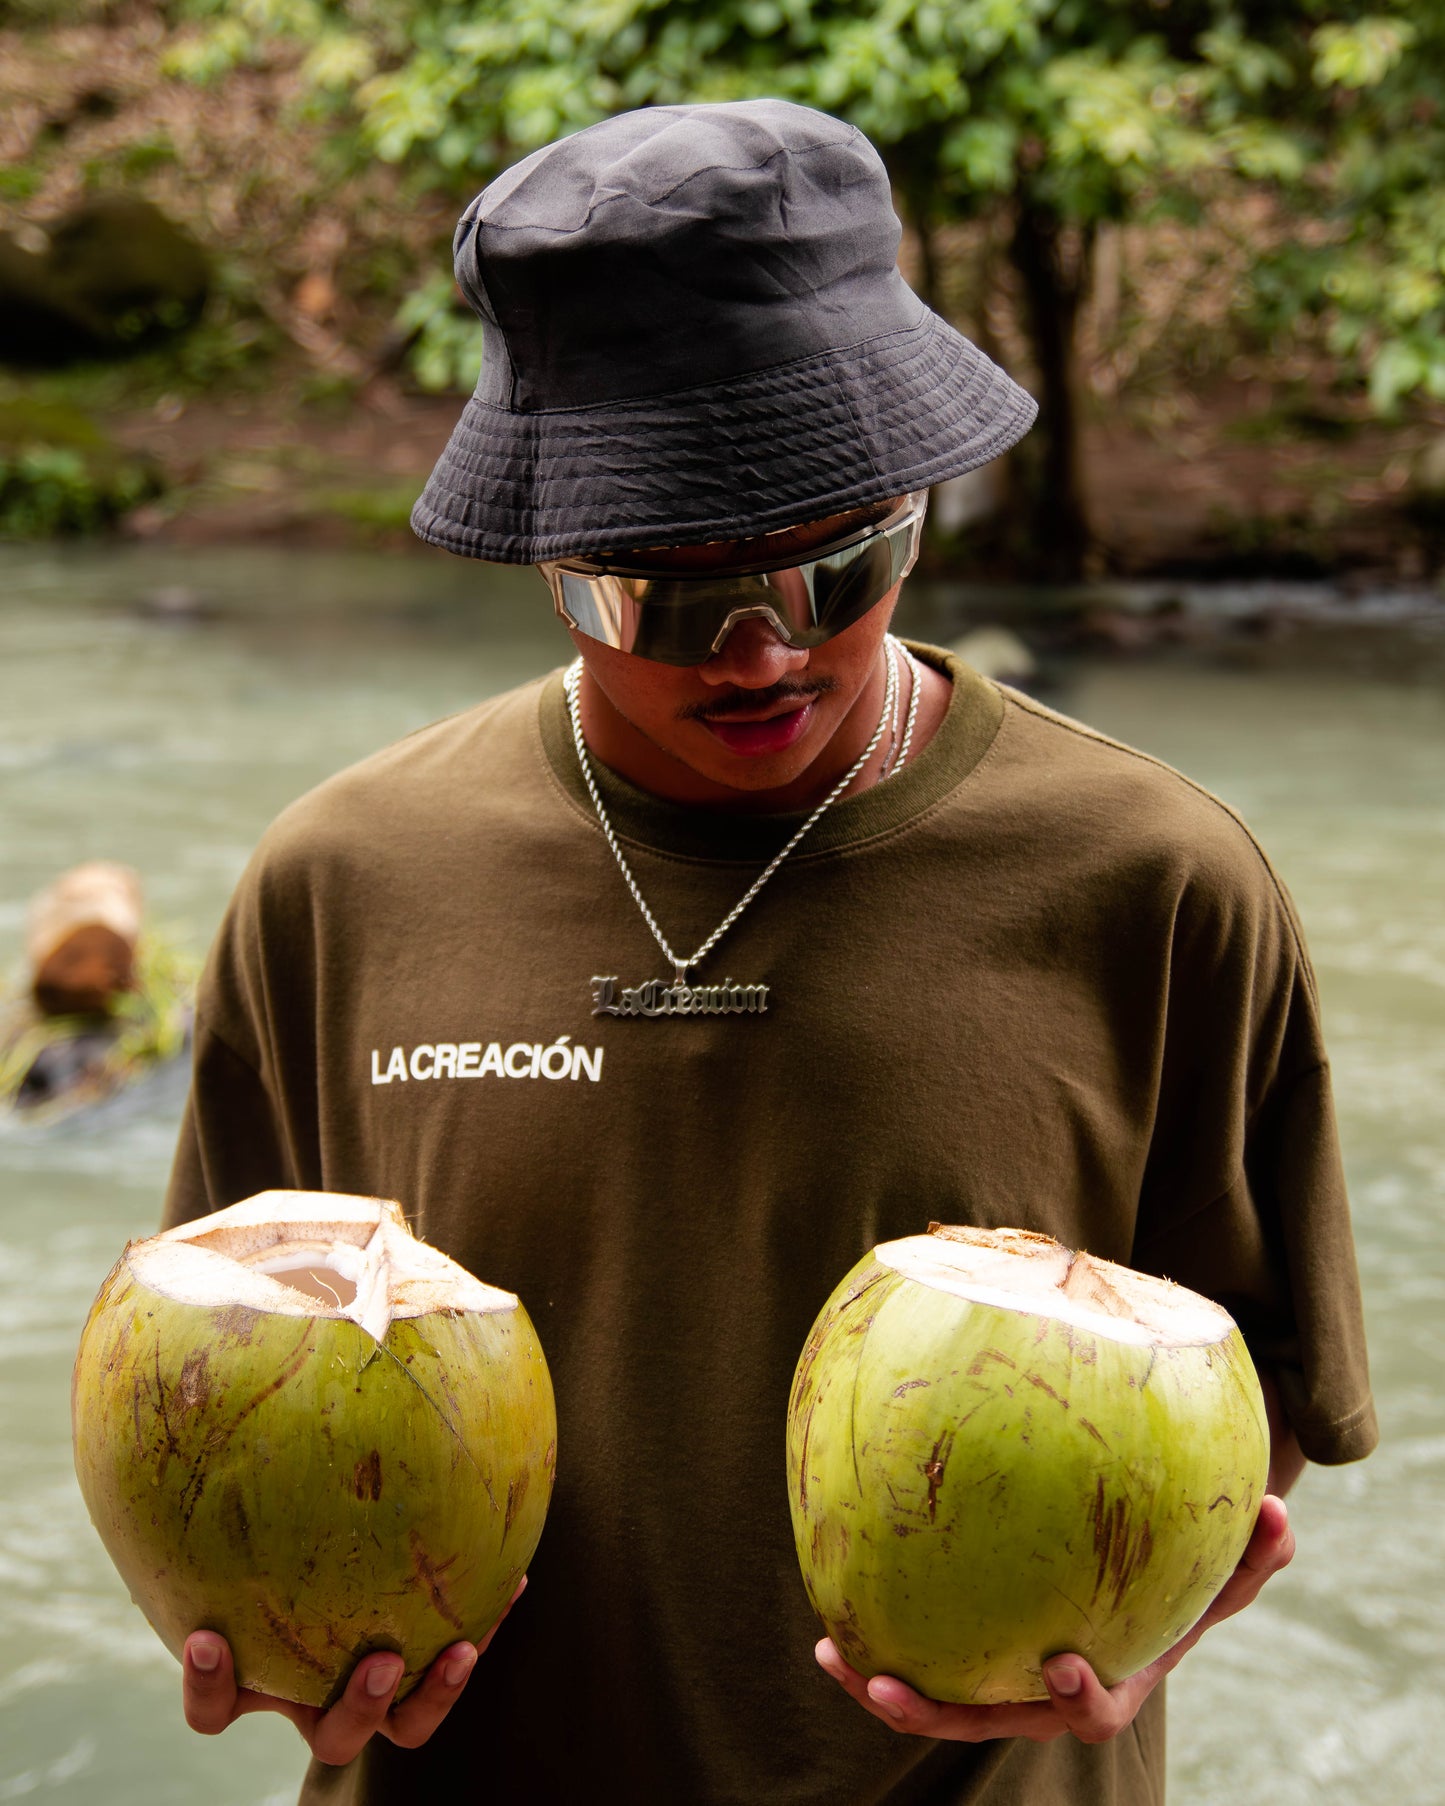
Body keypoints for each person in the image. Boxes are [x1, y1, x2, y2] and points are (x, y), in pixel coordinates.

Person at [162, 101, 1376, 1805]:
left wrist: (1166, 1602)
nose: (759, 653)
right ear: (546, 554)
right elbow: (209, 1400)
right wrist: (274, 1634)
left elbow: (1250, 1404)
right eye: (659, 595)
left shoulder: (1154, 882)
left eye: (838, 564)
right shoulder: (341, 883)